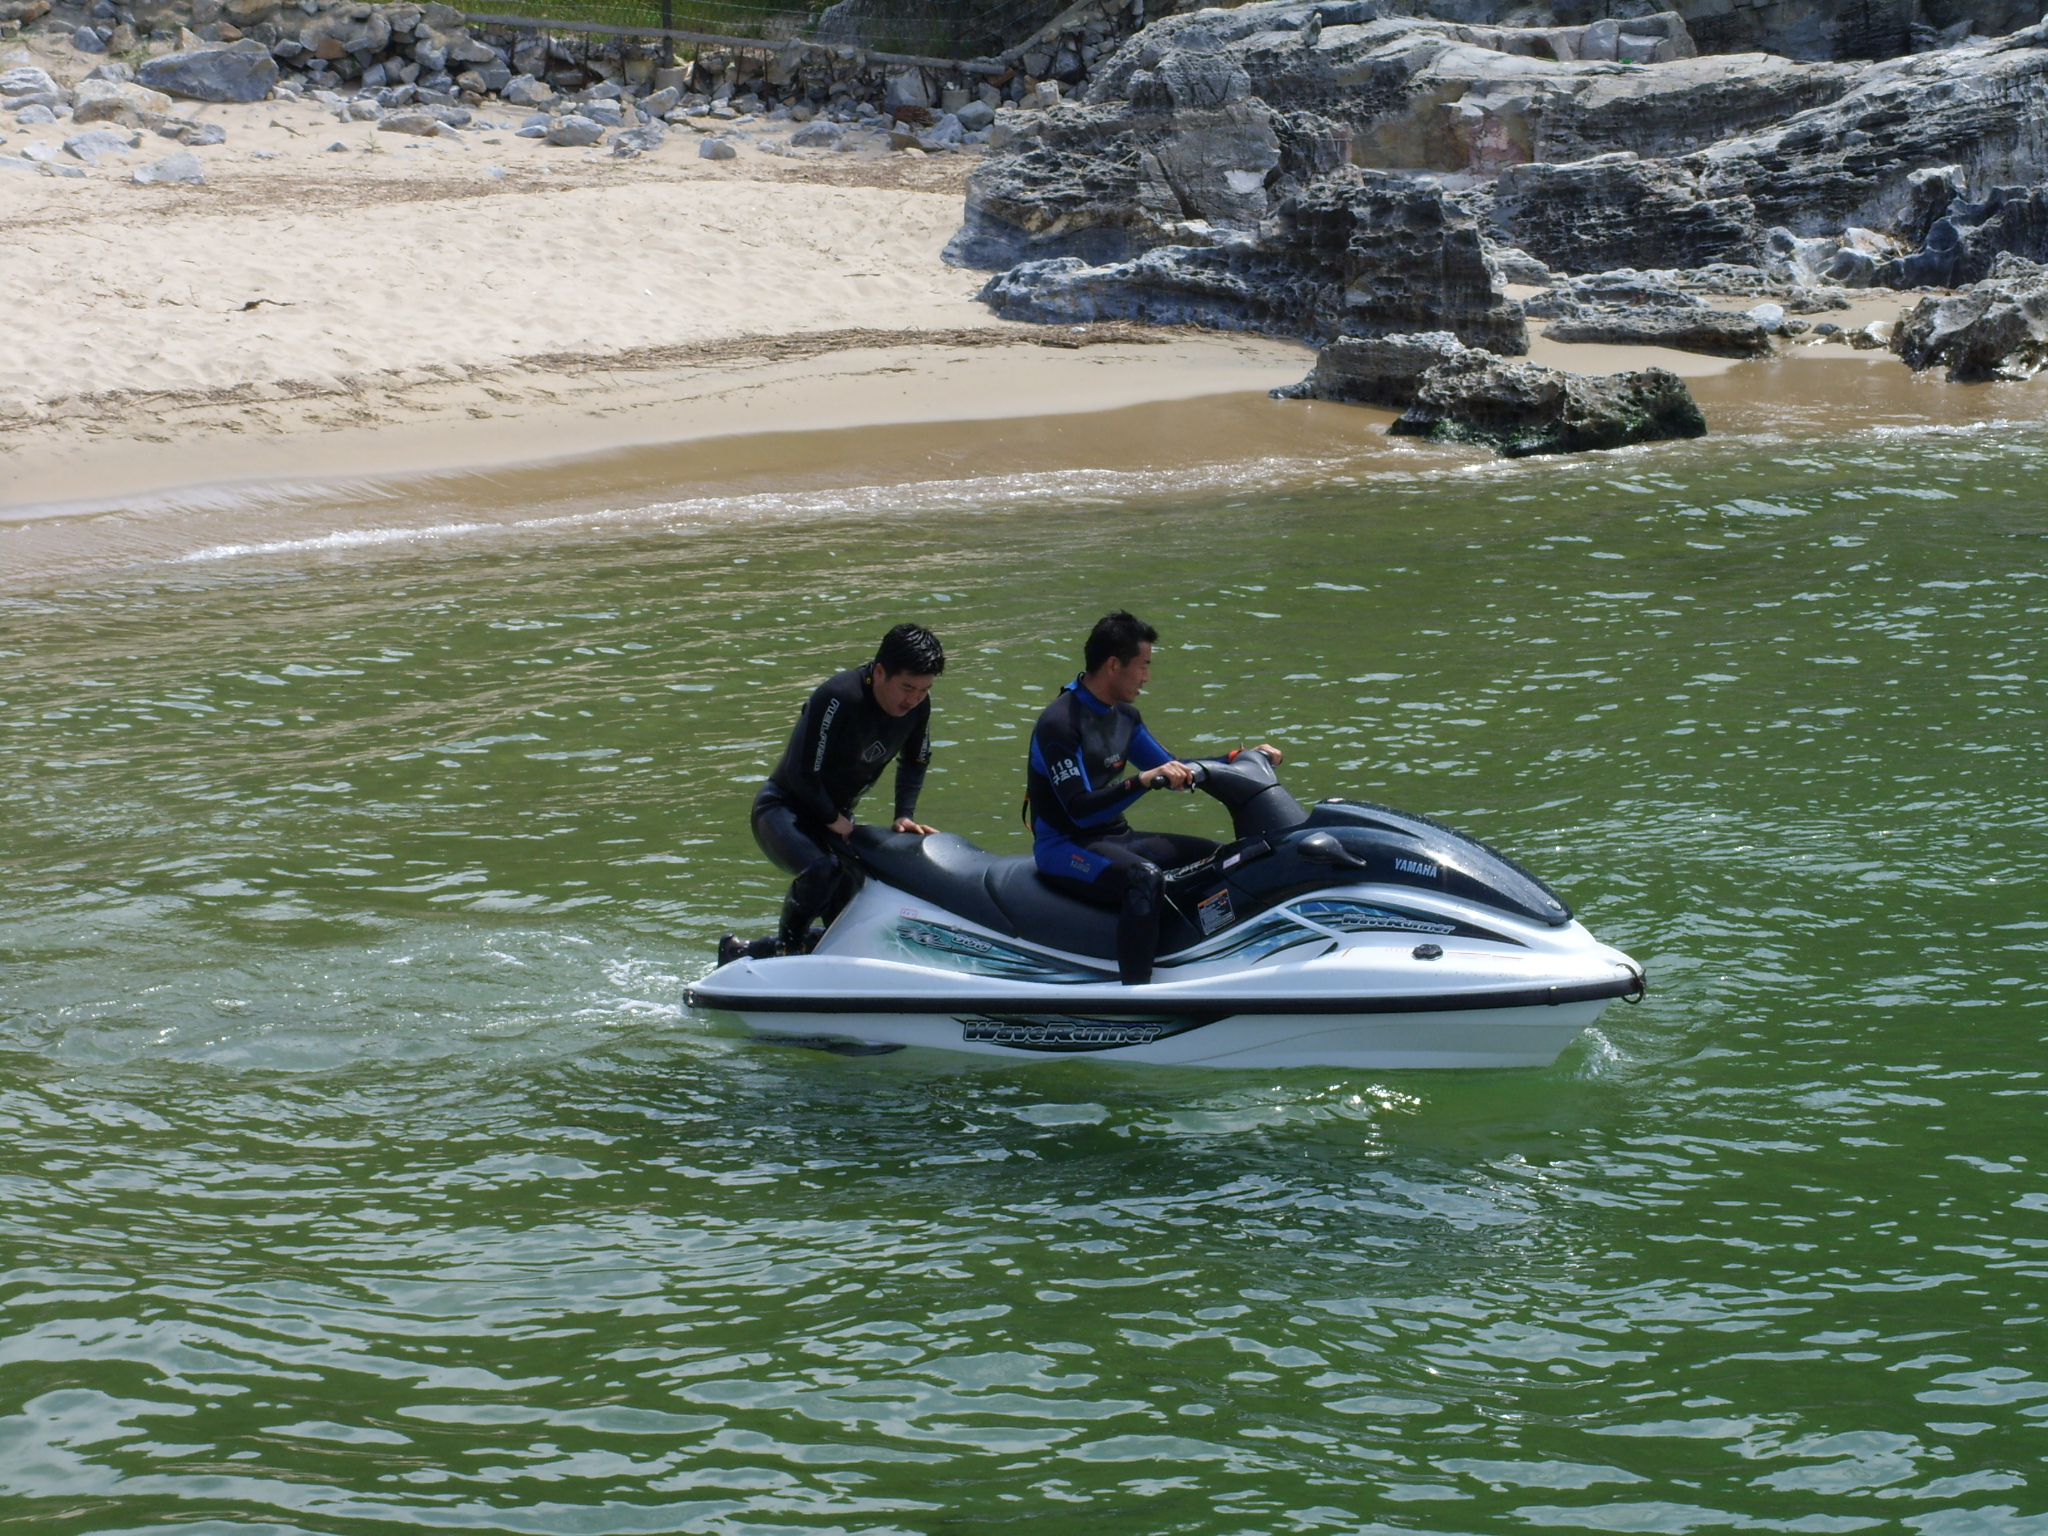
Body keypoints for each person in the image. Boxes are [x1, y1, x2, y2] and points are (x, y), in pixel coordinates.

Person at [1026, 610, 1280, 986]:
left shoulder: (1125, 717)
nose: (1147, 677)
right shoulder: (1060, 724)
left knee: (1221, 857)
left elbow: (1171, 767)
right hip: (1064, 846)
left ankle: (1212, 960)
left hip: (1115, 837)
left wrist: (1239, 759)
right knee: (1143, 879)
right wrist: (1140, 783)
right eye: (1143, 665)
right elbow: (1079, 812)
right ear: (1114, 665)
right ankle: (1136, 991)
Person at [719, 623, 944, 965]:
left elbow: (915, 760)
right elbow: (801, 771)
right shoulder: (838, 697)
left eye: (924, 690)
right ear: (880, 672)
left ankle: (741, 952)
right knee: (823, 870)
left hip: (835, 818)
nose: (913, 700)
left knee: (854, 910)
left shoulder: (917, 708)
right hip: (783, 809)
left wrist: (904, 814)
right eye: (907, 687)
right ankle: (788, 950)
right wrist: (832, 818)